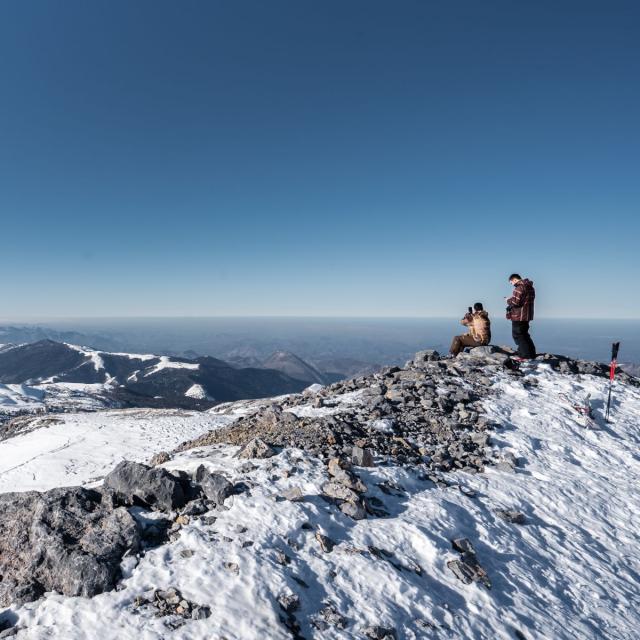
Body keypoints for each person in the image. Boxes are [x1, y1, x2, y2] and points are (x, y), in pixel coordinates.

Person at [505, 273, 536, 359]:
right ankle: (531, 353)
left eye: (511, 283)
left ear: (514, 279)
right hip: (527, 315)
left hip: (519, 316)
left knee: (518, 335)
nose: (512, 284)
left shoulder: (519, 288)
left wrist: (508, 300)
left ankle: (525, 355)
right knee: (524, 334)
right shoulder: (531, 287)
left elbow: (515, 302)